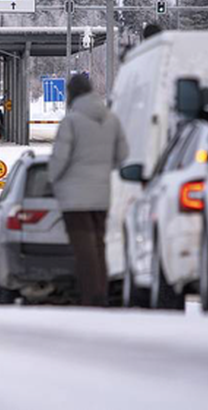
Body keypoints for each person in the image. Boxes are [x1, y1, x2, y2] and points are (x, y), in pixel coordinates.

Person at [48, 74, 128, 307]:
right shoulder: (111, 119)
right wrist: (102, 169)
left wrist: (52, 179)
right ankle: (100, 293)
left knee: (83, 249)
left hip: (74, 199)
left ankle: (91, 297)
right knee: (98, 246)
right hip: (102, 196)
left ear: (72, 94)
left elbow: (59, 159)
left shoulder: (71, 122)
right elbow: (122, 155)